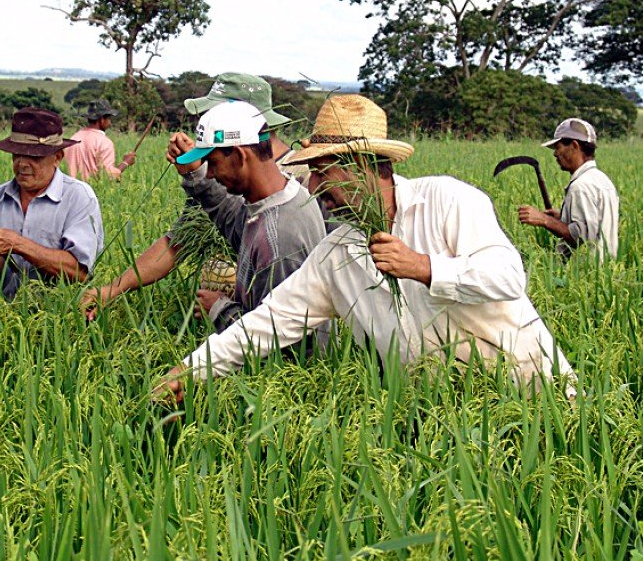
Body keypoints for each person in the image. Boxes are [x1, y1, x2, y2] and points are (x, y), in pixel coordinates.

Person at [156, 95, 575, 403]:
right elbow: (268, 322)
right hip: (445, 418)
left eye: (323, 172)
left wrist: (424, 267)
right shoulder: (337, 254)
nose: (313, 188)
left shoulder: (448, 201)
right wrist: (192, 370)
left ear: (364, 165)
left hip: (534, 401)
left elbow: (507, 276)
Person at [80, 72, 311, 314]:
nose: (205, 122)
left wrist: (224, 310)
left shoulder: (301, 179)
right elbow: (179, 240)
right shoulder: (221, 176)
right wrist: (113, 289)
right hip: (230, 317)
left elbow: (289, 316)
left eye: (213, 116)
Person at [169, 100, 327, 346]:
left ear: (240, 156)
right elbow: (234, 219)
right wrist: (195, 174)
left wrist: (219, 309)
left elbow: (282, 343)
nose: (209, 173)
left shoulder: (279, 236)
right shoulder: (285, 194)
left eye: (212, 163)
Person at [0, 107, 103, 300]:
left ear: (57, 157)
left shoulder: (79, 198)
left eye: (34, 156)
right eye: (16, 154)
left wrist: (17, 244)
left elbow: (79, 272)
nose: (22, 164)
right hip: (0, 312)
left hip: (58, 313)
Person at [517, 118, 619, 261]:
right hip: (607, 267)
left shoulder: (581, 185)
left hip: (585, 269)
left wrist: (544, 220)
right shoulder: (602, 180)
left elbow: (581, 237)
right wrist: (562, 218)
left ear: (574, 146)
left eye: (558, 147)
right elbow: (594, 225)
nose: (555, 154)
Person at [63, 98, 136, 181]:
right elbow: (109, 176)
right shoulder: (104, 142)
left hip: (71, 187)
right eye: (109, 118)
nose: (110, 122)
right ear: (102, 119)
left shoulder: (73, 138)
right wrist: (125, 163)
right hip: (93, 188)